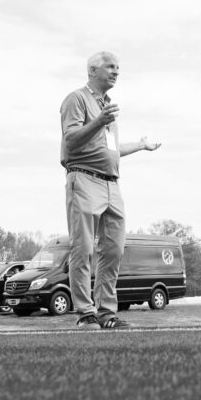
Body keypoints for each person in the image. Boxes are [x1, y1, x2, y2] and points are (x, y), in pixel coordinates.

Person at [60, 52, 161, 329]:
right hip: (84, 178)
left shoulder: (107, 107)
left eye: (118, 67)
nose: (116, 71)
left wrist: (140, 145)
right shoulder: (76, 99)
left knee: (114, 250)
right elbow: (71, 140)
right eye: (110, 66)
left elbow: (111, 150)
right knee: (83, 248)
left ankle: (106, 313)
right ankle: (85, 313)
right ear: (93, 69)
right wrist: (99, 121)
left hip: (112, 184)